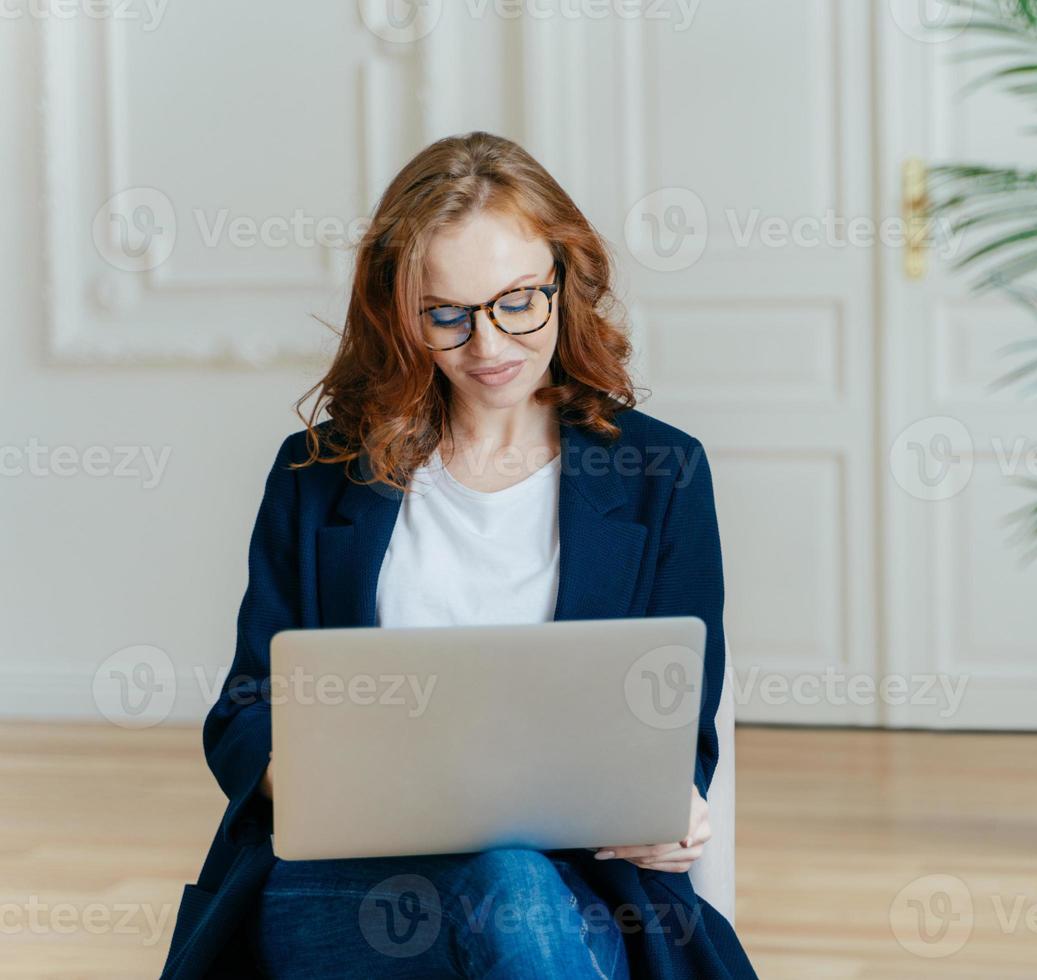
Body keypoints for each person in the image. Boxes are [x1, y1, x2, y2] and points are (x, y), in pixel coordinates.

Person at [160, 131, 758, 979]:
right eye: (447, 314)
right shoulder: (316, 476)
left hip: (576, 894)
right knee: (503, 897)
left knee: (511, 888)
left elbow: (675, 729)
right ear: (398, 313)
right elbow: (242, 712)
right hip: (342, 893)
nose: (488, 346)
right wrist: (312, 779)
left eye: (518, 301)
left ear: (565, 278)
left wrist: (678, 808)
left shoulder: (663, 474)